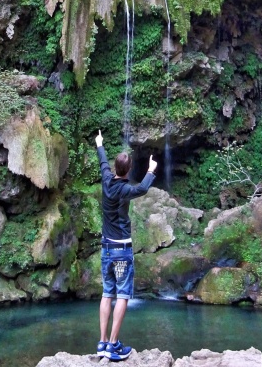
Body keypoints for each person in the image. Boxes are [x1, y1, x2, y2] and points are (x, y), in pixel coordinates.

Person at [95, 129, 157, 361]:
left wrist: (100, 144)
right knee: (122, 295)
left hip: (106, 248)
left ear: (114, 168)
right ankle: (113, 345)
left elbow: (102, 162)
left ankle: (102, 343)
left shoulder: (106, 180)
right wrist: (151, 170)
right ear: (129, 170)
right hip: (122, 251)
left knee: (106, 293)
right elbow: (142, 188)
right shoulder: (126, 189)